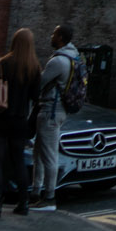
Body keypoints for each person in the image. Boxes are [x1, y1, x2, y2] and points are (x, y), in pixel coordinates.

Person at [0, 27, 42, 218]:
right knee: (18, 162)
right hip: (19, 121)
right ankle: (23, 203)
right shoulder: (34, 68)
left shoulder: (1, 64)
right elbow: (37, 99)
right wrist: (30, 124)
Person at [31, 23, 81, 212]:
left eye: (54, 33)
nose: (51, 36)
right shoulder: (72, 57)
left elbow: (40, 83)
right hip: (58, 111)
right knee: (39, 153)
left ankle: (49, 197)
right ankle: (36, 192)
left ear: (60, 37)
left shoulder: (58, 61)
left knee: (49, 156)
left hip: (51, 111)